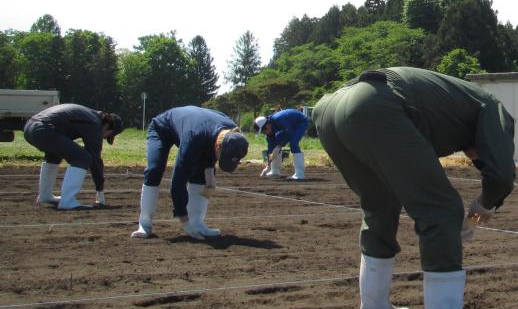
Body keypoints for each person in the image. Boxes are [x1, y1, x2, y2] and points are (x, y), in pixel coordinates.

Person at [312, 67, 516, 309]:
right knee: (441, 208)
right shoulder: (493, 109)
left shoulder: (454, 103)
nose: (473, 159)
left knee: (379, 203)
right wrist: (487, 202)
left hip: (329, 109)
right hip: (374, 104)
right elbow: (503, 173)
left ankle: (373, 307)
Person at [130, 106, 248, 240]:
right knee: (154, 169)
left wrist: (209, 178)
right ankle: (144, 224)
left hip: (200, 130)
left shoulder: (233, 134)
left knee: (201, 173)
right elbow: (178, 182)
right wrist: (185, 221)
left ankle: (197, 222)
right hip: (163, 129)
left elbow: (209, 167)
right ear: (217, 146)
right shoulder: (194, 137)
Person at [23, 103, 123, 210]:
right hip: (43, 129)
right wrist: (100, 189)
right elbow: (95, 158)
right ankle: (68, 201)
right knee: (83, 158)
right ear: (107, 126)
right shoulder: (94, 123)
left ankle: (45, 196)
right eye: (108, 135)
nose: (103, 138)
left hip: (30, 127)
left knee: (54, 155)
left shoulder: (90, 116)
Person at [254, 108, 310, 180]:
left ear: (267, 125)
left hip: (300, 123)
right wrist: (268, 165)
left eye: (264, 131)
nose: (265, 133)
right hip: (289, 126)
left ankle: (299, 174)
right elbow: (271, 149)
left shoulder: (279, 119)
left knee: (293, 143)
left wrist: (279, 145)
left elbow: (290, 132)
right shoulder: (270, 129)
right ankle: (275, 171)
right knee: (274, 145)